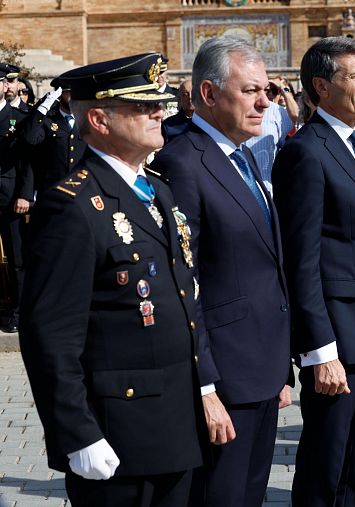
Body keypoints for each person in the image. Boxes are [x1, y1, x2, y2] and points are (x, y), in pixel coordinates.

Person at [19, 52, 204, 506]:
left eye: (157, 102)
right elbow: (49, 334)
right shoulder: (73, 205)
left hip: (176, 424)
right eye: (142, 106)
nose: (159, 111)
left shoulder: (156, 189)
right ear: (99, 119)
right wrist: (76, 433)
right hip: (117, 432)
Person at [150, 36, 294, 507]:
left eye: (267, 92)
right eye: (250, 91)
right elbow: (182, 284)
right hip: (223, 376)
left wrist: (278, 369)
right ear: (208, 95)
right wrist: (205, 384)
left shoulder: (243, 155)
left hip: (259, 368)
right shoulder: (183, 162)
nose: (263, 103)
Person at [272, 37, 355, 507]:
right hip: (336, 337)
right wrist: (318, 349)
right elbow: (302, 259)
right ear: (321, 87)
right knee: (326, 464)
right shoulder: (305, 152)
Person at [0, 63, 30, 333]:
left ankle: (18, 311)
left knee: (17, 256)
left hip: (9, 195)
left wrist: (24, 194)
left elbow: (27, 161)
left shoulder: (18, 116)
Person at [19, 78, 87, 194]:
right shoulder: (48, 120)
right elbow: (30, 139)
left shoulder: (86, 120)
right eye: (69, 93)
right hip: (52, 189)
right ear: (59, 95)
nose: (74, 98)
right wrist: (43, 108)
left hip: (82, 188)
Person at [162, 78, 193, 143]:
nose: (190, 97)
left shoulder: (209, 122)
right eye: (185, 94)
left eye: (193, 93)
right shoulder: (168, 125)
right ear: (179, 98)